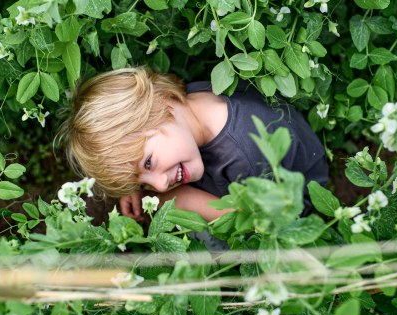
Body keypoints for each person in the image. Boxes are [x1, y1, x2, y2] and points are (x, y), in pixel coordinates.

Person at [58, 66, 328, 250]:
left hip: (284, 202)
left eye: (148, 163)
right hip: (248, 176)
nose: (160, 186)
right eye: (144, 183)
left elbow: (256, 218)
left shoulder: (243, 154)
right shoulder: (189, 107)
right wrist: (133, 185)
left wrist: (182, 199)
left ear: (163, 104)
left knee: (213, 245)